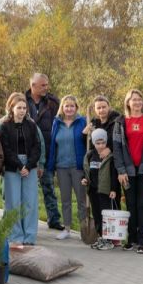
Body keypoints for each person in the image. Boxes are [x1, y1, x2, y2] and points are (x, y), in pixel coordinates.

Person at [112, 89, 143, 254]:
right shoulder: (120, 122)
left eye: (140, 99)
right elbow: (117, 149)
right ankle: (130, 239)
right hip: (127, 171)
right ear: (128, 102)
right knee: (130, 205)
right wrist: (120, 170)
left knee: (142, 205)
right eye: (134, 100)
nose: (137, 102)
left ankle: (142, 241)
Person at [0, 92, 43, 247]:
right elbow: (5, 148)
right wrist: (19, 165)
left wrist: (29, 165)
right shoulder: (4, 125)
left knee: (30, 202)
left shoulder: (31, 125)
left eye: (24, 108)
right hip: (12, 167)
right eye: (19, 108)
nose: (22, 110)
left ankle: (29, 236)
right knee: (13, 202)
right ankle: (15, 236)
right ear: (12, 108)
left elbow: (37, 146)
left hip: (29, 166)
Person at [47, 95, 88, 240]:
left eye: (72, 106)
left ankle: (84, 229)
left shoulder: (83, 122)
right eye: (66, 106)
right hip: (61, 167)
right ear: (62, 108)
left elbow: (88, 142)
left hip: (78, 167)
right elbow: (53, 145)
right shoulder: (57, 123)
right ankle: (67, 229)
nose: (69, 108)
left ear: (76, 108)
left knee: (82, 200)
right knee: (65, 200)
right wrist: (51, 167)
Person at [26, 73, 63, 231]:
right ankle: (27, 221)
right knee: (28, 191)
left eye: (47, 85)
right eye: (43, 85)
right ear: (33, 85)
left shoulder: (53, 102)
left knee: (48, 187)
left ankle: (54, 219)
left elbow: (62, 121)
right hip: (26, 153)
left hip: (47, 151)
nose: (46, 88)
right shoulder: (22, 100)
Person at [83, 95, 122, 238]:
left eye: (103, 107)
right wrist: (84, 133)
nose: (101, 110)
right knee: (97, 204)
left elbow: (118, 140)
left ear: (109, 106)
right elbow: (88, 144)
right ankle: (101, 234)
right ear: (95, 109)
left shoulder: (116, 121)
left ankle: (114, 234)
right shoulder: (93, 123)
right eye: (98, 108)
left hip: (111, 162)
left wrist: (109, 148)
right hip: (96, 164)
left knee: (111, 201)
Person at [81, 128, 120, 250]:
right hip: (93, 190)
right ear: (93, 142)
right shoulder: (90, 155)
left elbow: (114, 174)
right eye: (98, 143)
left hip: (105, 191)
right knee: (97, 215)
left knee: (106, 216)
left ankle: (109, 240)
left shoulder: (110, 157)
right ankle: (101, 237)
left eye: (103, 143)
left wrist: (114, 189)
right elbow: (87, 171)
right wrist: (84, 179)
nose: (101, 145)